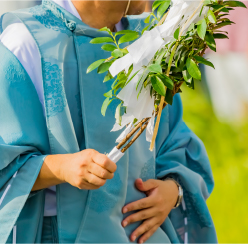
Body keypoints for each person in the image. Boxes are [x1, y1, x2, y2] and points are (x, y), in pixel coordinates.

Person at [0, 0, 216, 243]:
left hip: (143, 235)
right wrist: (61, 167)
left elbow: (175, 141)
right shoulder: (27, 42)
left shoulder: (152, 39)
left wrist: (172, 191)